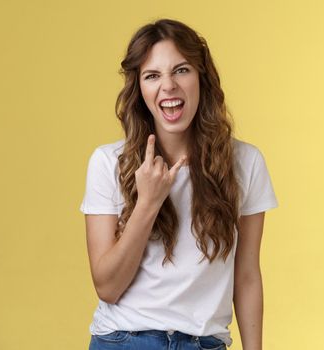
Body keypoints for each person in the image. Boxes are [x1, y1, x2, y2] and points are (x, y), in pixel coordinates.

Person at [80, 18, 278, 350]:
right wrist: (148, 202)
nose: (168, 86)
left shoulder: (245, 163)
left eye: (181, 70)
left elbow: (246, 277)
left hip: (204, 343)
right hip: (123, 340)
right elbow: (108, 287)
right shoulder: (108, 163)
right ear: (139, 89)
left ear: (202, 77)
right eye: (152, 75)